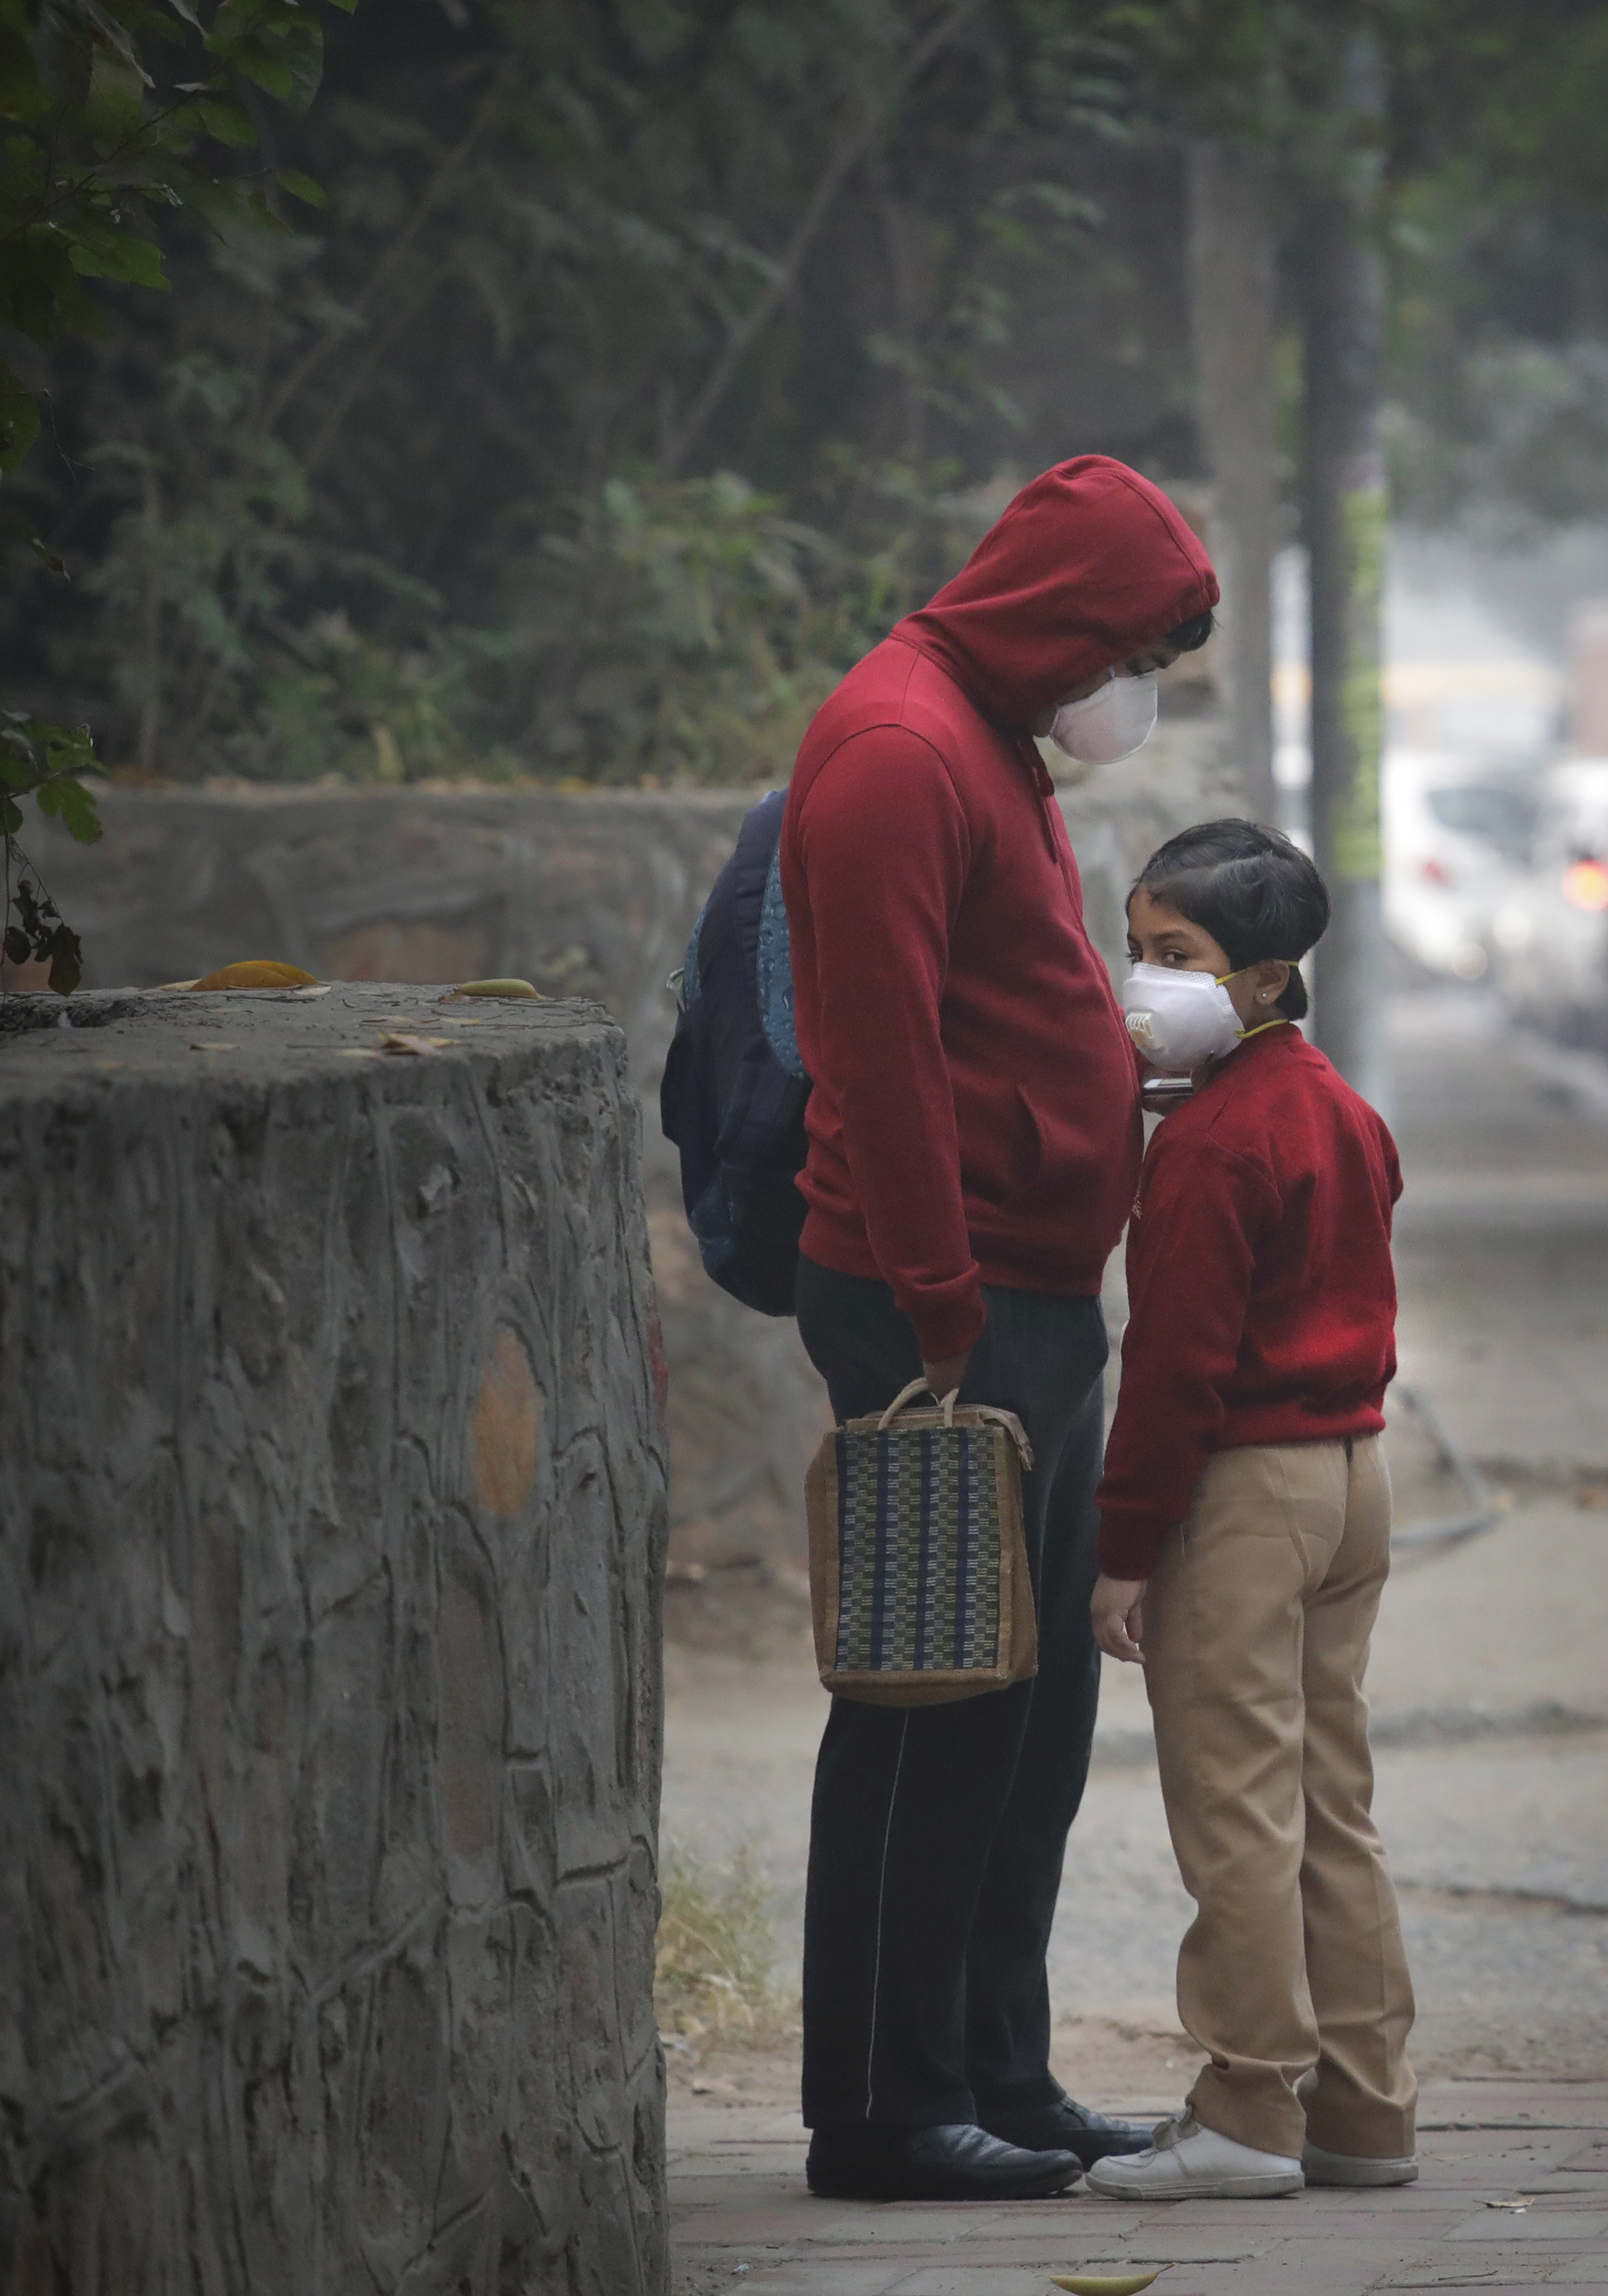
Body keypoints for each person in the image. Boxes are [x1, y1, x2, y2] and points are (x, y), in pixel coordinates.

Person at [780, 455, 1219, 2202]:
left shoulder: (980, 731)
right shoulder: (896, 752)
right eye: (1135, 647)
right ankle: (881, 2117)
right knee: (926, 1703)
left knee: (1023, 1719)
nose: (1137, 688)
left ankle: (995, 2078)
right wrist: (945, 1304)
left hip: (1025, 1298)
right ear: (1059, 617)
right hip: (938, 1307)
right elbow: (875, 1053)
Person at [1086, 819, 1418, 2203]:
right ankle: (1364, 2112)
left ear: (1266, 979)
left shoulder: (1216, 1143)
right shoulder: (1338, 1107)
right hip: (1352, 1480)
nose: (1142, 982)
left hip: (1246, 1488)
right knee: (1330, 1804)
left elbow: (1173, 1366)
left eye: (1178, 958)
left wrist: (1119, 1549)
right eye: (1138, 951)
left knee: (1234, 1810)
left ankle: (1242, 2110)